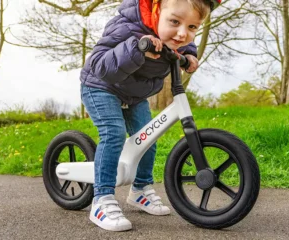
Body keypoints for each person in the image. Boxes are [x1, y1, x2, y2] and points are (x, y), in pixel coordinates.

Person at [80, 0, 217, 232]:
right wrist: (136, 48)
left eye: (193, 27)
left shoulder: (174, 37)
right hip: (101, 86)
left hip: (134, 94)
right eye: (175, 21)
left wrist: (189, 54)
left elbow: (182, 46)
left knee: (148, 137)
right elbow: (98, 64)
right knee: (113, 134)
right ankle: (102, 199)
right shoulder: (126, 26)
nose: (183, 33)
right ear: (156, 11)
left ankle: (140, 189)